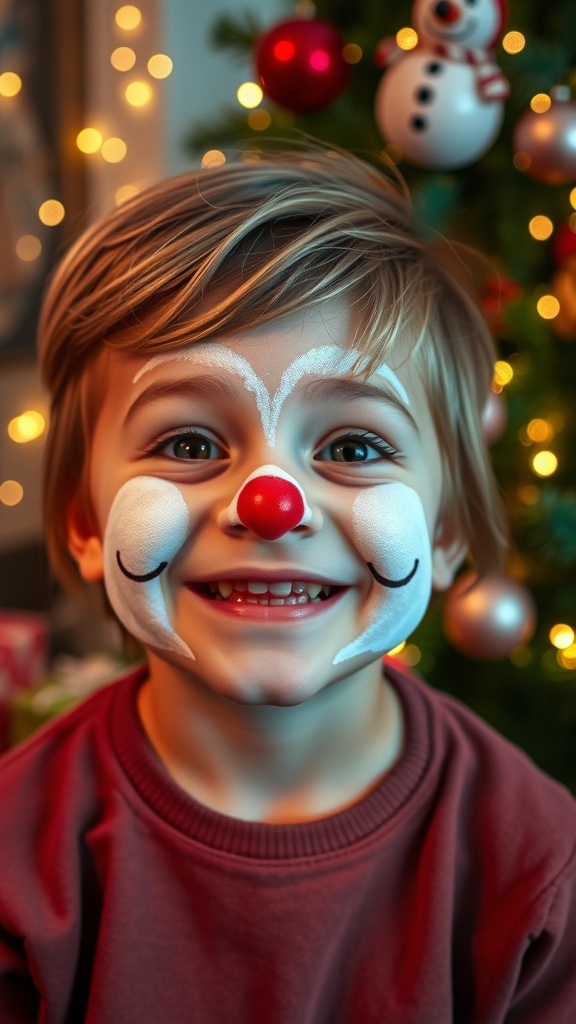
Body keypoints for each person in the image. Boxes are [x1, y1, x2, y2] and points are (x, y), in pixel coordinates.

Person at [0, 146, 575, 1024]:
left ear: (445, 531)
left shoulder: (536, 875)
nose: (271, 506)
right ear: (86, 521)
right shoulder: (16, 862)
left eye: (352, 447)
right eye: (190, 444)